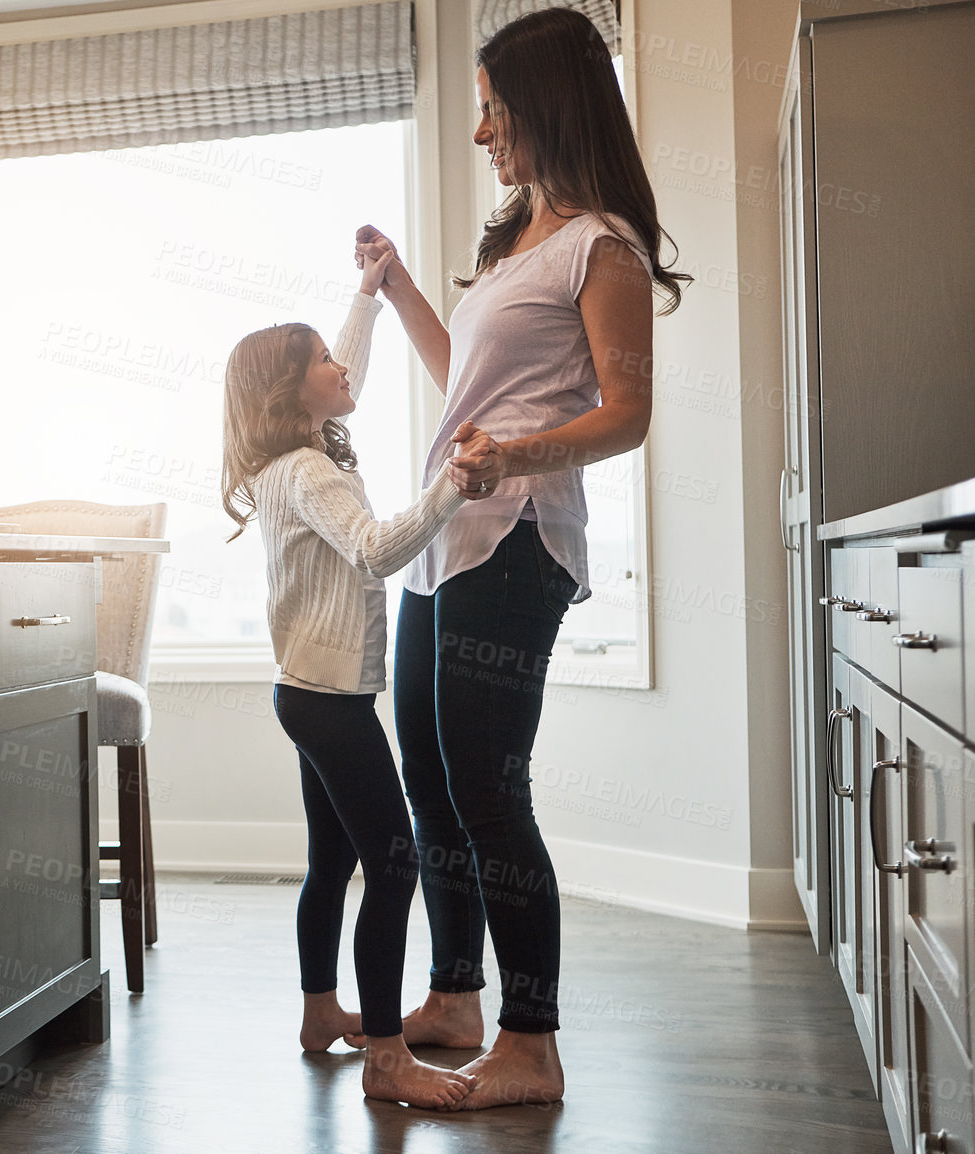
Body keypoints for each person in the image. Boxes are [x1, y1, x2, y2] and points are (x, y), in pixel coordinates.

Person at [356, 7, 691, 1110]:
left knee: (487, 785)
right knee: (429, 775)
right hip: (444, 537)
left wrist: (515, 458)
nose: (478, 131)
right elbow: (470, 380)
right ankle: (454, 995)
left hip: (515, 537)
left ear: (544, 104)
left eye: (491, 108)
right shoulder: (517, 245)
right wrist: (404, 284)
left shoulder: (601, 245)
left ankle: (531, 1038)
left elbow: (626, 410)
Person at [220, 242, 509, 1108]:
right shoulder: (311, 472)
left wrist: (368, 296)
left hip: (304, 694)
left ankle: (320, 1016)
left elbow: (348, 368)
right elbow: (379, 550)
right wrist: (453, 489)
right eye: (322, 361)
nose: (341, 367)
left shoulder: (285, 462)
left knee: (330, 863)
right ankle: (386, 1057)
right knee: (392, 868)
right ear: (290, 391)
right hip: (332, 706)